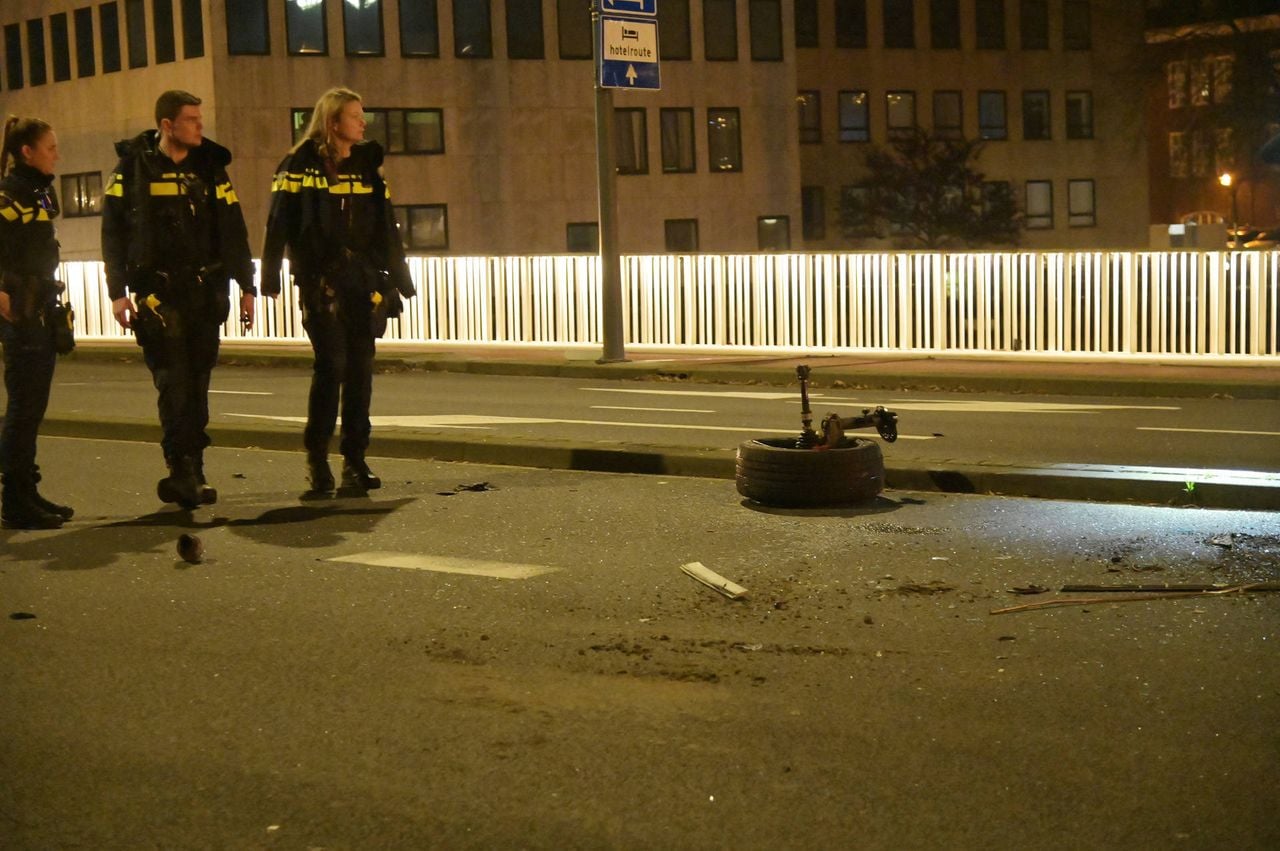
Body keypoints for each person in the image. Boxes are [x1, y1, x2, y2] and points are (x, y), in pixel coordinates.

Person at [102, 90, 256, 510]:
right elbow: (113, 234)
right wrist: (117, 293)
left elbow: (234, 229)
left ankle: (194, 467)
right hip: (159, 295)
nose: (200, 126)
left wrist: (247, 286)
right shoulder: (133, 169)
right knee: (173, 383)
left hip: (205, 293)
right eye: (191, 119)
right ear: (167, 125)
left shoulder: (211, 169)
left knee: (198, 383)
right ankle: (180, 467)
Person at [261, 87, 415, 493]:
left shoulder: (367, 164)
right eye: (355, 116)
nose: (363, 122)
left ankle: (354, 461)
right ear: (333, 122)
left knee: (361, 372)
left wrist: (400, 281)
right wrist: (269, 277)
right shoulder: (299, 164)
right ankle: (317, 461)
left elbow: (386, 225)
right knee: (331, 367)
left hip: (364, 284)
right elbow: (278, 223)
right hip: (321, 284)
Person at [0, 116, 75, 530]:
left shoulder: (37, 192)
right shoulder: (8, 195)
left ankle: (27, 490)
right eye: (50, 148)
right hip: (20, 310)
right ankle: (15, 499)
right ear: (27, 152)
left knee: (33, 407)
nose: (56, 156)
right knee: (23, 409)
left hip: (41, 306)